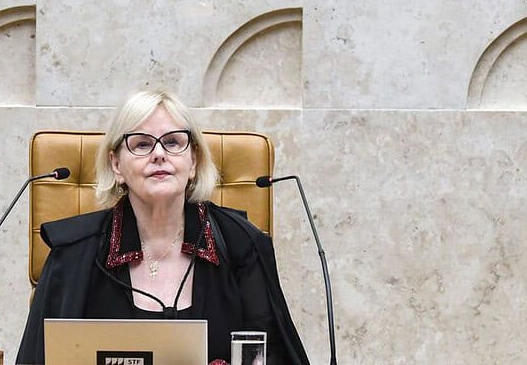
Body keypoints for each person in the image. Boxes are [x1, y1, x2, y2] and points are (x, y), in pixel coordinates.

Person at [16, 91, 310, 365]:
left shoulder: (242, 245)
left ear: (193, 160)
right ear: (116, 164)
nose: (159, 154)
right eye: (142, 144)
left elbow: (275, 356)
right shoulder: (73, 254)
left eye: (172, 142)